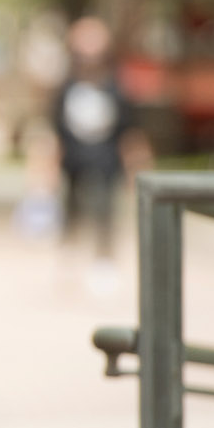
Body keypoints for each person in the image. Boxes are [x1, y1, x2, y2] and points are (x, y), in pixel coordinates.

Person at [51, 16, 147, 266]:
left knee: (106, 208)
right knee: (71, 206)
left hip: (107, 157)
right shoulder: (66, 82)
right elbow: (54, 127)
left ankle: (104, 258)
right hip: (73, 157)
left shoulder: (117, 83)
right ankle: (69, 252)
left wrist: (135, 166)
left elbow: (130, 129)